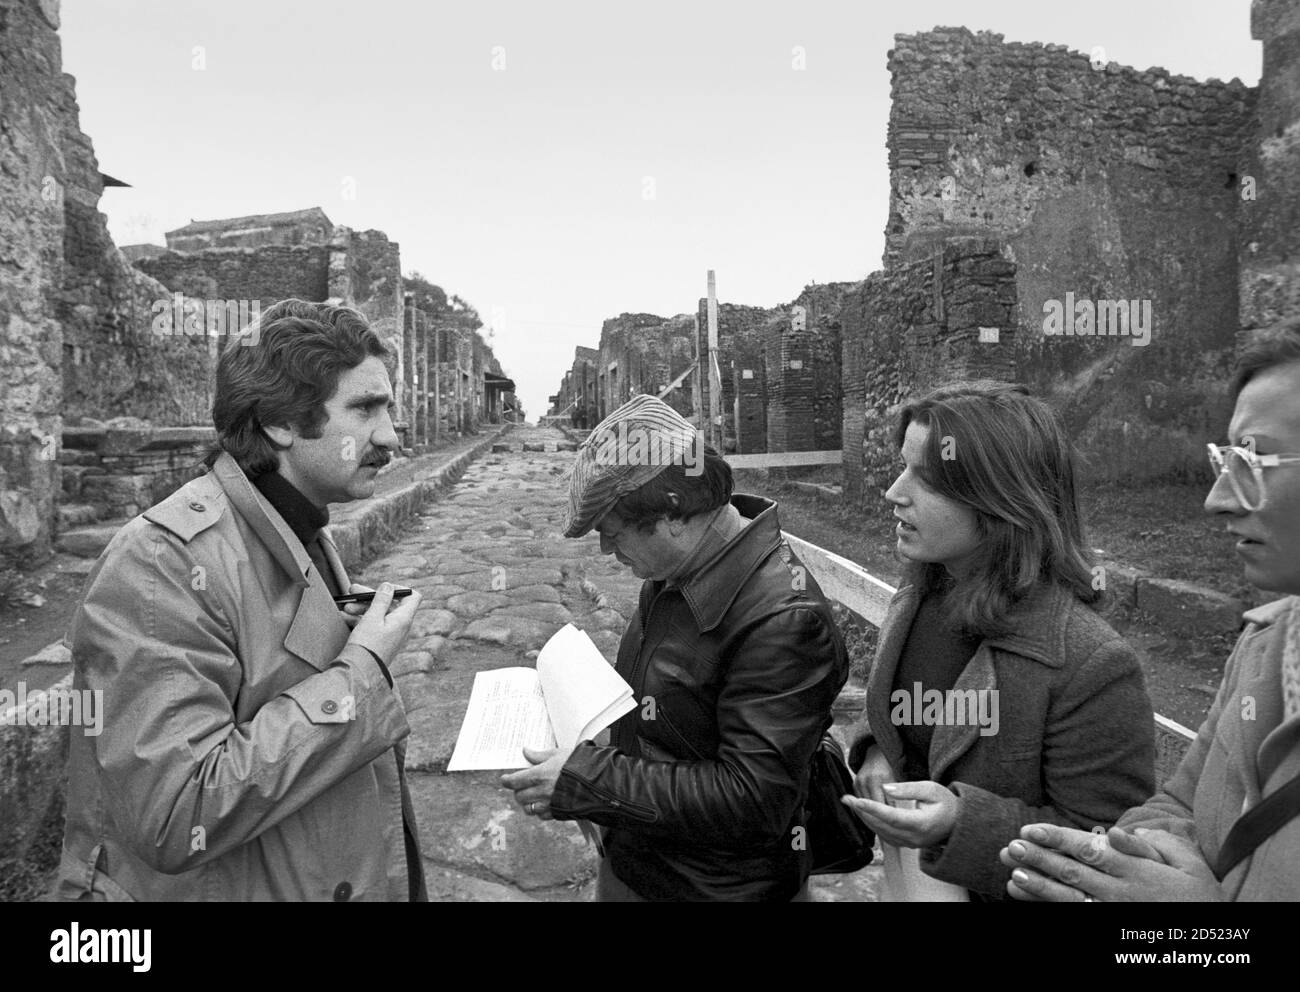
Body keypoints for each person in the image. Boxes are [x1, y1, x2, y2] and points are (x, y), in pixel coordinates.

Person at [56, 298, 427, 901]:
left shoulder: (294, 525)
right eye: (364, 409)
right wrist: (362, 674)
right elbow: (177, 815)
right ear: (281, 421)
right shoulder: (163, 563)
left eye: (387, 407)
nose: (390, 434)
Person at [501, 394, 848, 901]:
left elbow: (754, 801)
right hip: (642, 863)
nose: (605, 550)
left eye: (612, 532)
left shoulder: (785, 620)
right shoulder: (678, 569)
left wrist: (588, 781)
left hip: (714, 889)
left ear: (673, 513)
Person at [1000, 320, 1300, 901]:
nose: (1216, 499)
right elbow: (1176, 803)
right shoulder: (1268, 641)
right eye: (1225, 461)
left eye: (1254, 461)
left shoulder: (1090, 655)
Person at [841, 380, 1156, 900]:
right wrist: (877, 753)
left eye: (925, 478)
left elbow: (1104, 848)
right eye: (903, 466)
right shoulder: (922, 592)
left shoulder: (1092, 664)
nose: (893, 491)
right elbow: (906, 716)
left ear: (999, 500)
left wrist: (960, 823)